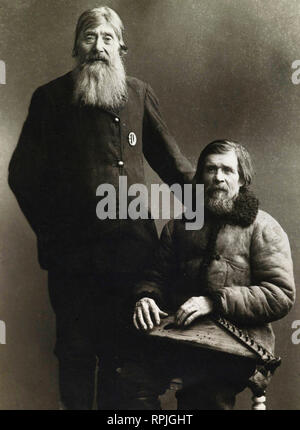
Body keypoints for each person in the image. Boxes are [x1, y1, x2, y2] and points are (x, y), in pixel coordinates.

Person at [8, 6, 194, 410]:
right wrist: (55, 236)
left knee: (124, 358)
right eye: (90, 37)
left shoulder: (139, 94)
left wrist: (216, 203)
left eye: (108, 38)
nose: (98, 46)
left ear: (121, 47)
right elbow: (22, 176)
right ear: (77, 46)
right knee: (75, 353)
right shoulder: (51, 98)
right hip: (74, 260)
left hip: (134, 257)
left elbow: (175, 167)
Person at [132, 139, 295, 410]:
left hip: (236, 343)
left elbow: (280, 295)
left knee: (203, 394)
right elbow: (155, 276)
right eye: (210, 169)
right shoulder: (179, 227)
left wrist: (213, 301)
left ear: (242, 179)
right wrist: (146, 297)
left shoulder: (264, 227)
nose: (218, 177)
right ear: (201, 177)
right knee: (129, 379)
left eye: (227, 170)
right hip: (181, 336)